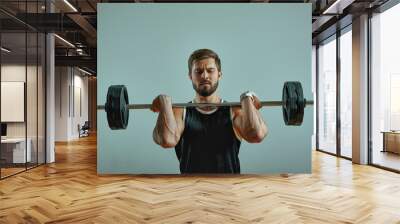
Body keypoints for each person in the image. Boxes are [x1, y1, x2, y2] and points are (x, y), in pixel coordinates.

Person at [150, 49, 268, 174]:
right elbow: (166, 140)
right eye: (198, 71)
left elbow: (257, 135)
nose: (204, 76)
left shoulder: (233, 111)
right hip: (190, 190)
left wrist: (246, 98)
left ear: (219, 74)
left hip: (228, 190)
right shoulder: (181, 112)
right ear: (190, 76)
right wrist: (164, 102)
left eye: (210, 70)